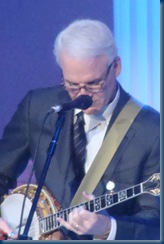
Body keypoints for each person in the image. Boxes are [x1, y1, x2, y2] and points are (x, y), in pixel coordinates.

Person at [0, 19, 160, 240]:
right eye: (73, 85)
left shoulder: (152, 130)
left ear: (116, 67)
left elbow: (156, 222)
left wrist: (108, 228)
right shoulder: (38, 108)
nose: (83, 94)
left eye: (94, 83)